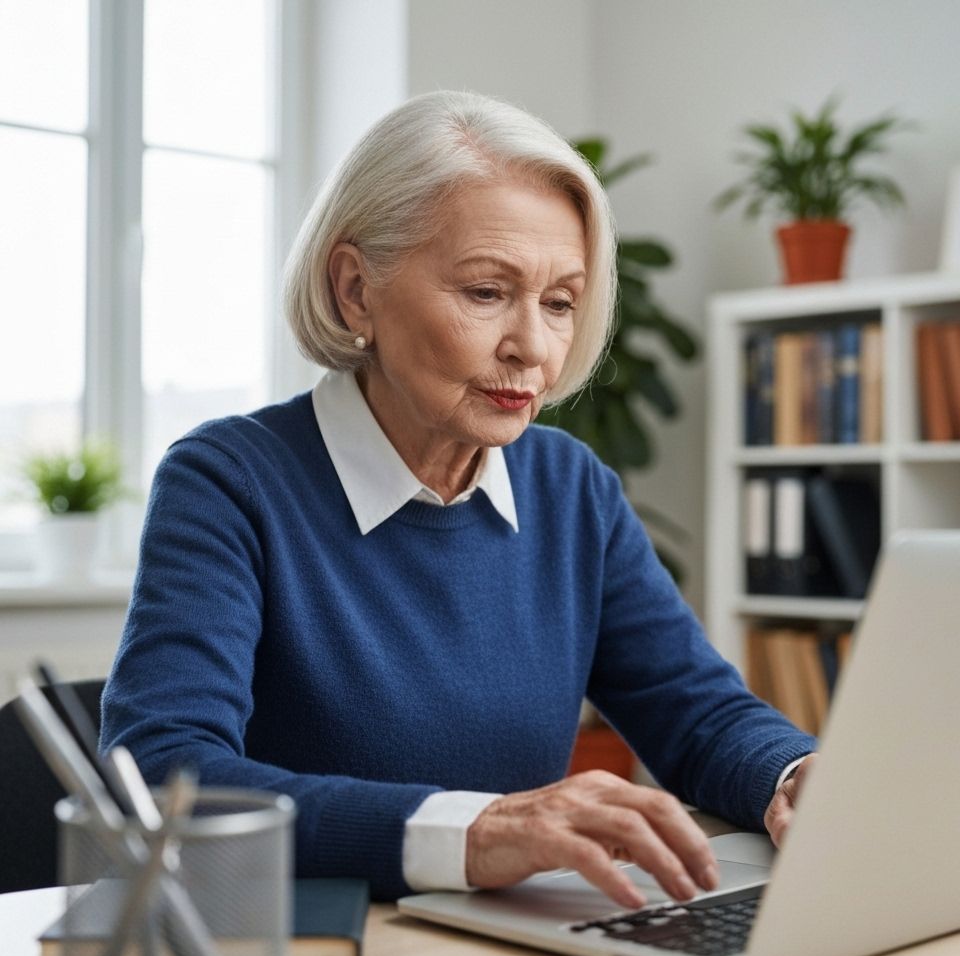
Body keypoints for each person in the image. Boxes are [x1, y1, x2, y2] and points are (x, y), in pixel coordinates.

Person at [100, 90, 817, 908]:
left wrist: (793, 775)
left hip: (510, 949)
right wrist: (474, 835)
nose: (535, 348)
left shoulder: (571, 488)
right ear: (355, 291)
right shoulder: (229, 481)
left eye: (560, 303)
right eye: (486, 292)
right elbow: (163, 779)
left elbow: (696, 715)